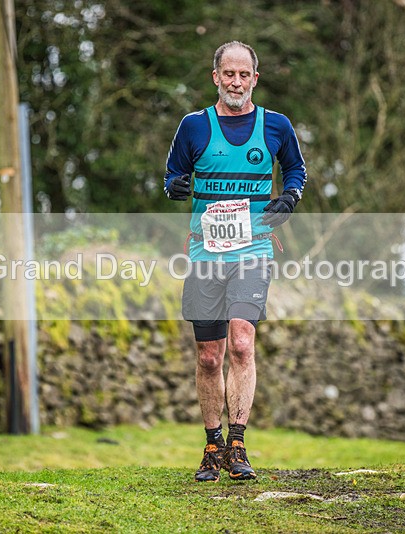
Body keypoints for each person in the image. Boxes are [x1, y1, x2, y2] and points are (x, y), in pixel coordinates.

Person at [164, 41, 307, 482]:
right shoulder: (193, 126)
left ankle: (239, 443)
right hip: (205, 253)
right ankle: (213, 445)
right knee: (209, 356)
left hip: (253, 250)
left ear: (254, 79)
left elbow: (297, 171)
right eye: (229, 74)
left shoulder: (276, 126)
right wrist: (176, 186)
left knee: (242, 341)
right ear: (216, 78)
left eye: (244, 75)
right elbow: (171, 175)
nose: (236, 82)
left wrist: (288, 198)